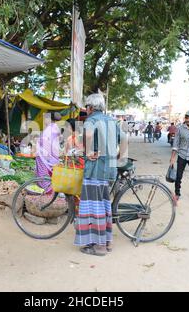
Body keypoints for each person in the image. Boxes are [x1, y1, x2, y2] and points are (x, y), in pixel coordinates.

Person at [75, 93, 123, 256]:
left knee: (94, 207)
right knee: (104, 205)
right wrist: (115, 158)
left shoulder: (91, 120)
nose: (86, 110)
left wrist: (88, 152)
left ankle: (100, 246)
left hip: (95, 170)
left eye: (86, 107)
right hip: (109, 170)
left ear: (90, 107)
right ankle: (108, 241)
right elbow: (123, 140)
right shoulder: (112, 121)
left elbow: (88, 135)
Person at [35, 112, 62, 190]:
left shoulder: (49, 129)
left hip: (45, 155)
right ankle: (49, 188)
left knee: (43, 173)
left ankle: (46, 189)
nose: (44, 121)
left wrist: (38, 141)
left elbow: (43, 141)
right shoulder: (55, 127)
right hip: (52, 155)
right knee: (50, 174)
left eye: (45, 119)